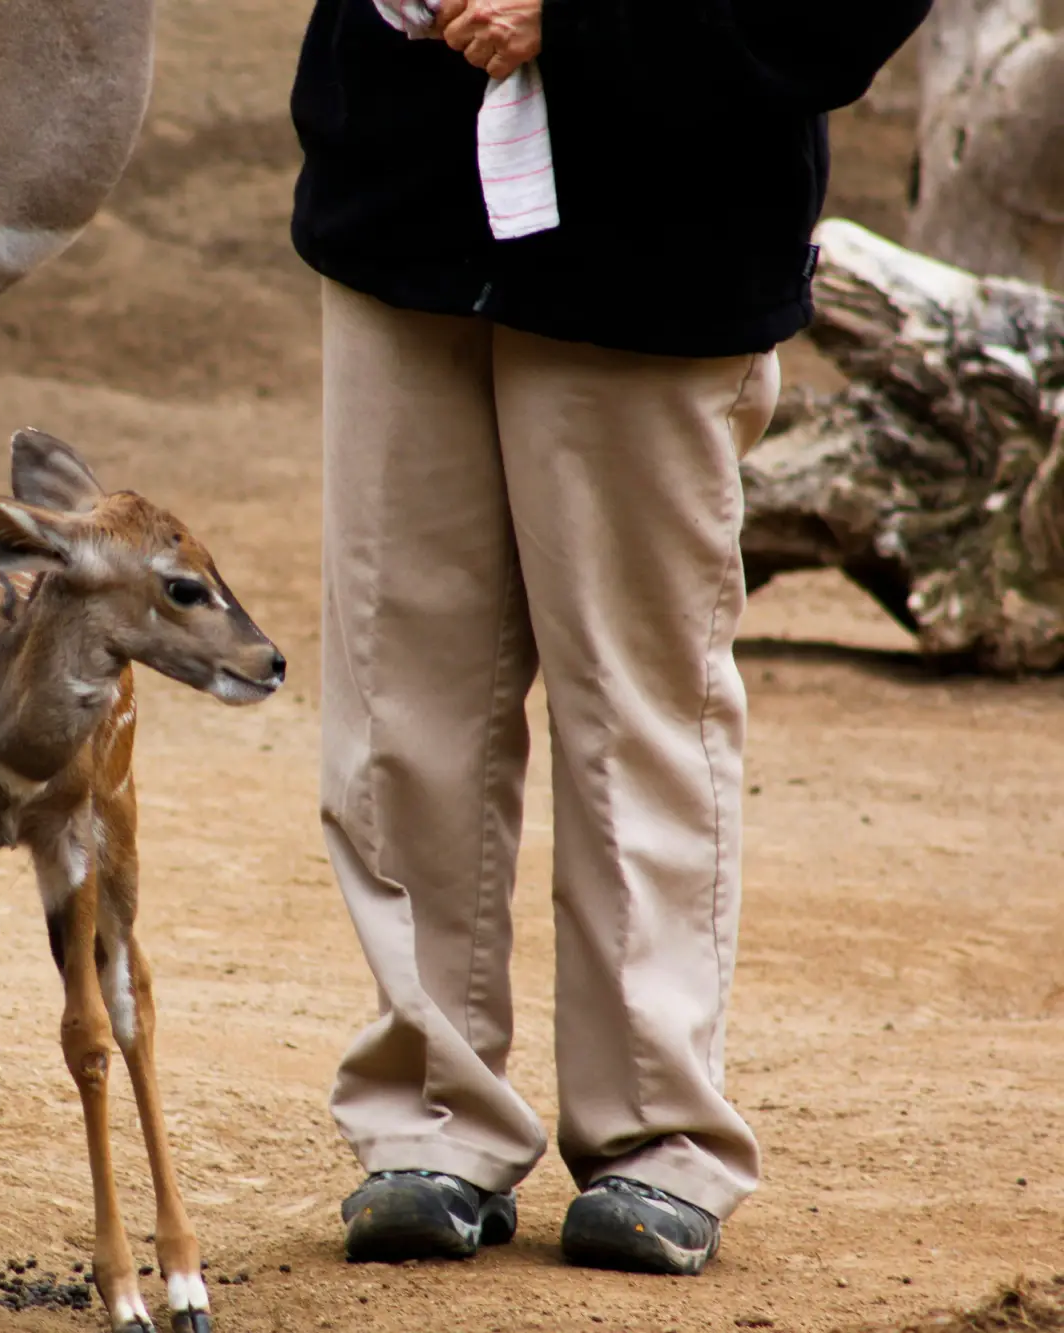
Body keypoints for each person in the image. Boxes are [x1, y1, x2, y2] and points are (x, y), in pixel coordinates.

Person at [290, 0, 932, 1276]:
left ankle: (657, 1140)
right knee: (394, 701)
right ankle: (428, 1123)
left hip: (660, 233)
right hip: (401, 202)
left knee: (632, 707)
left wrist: (579, 16)